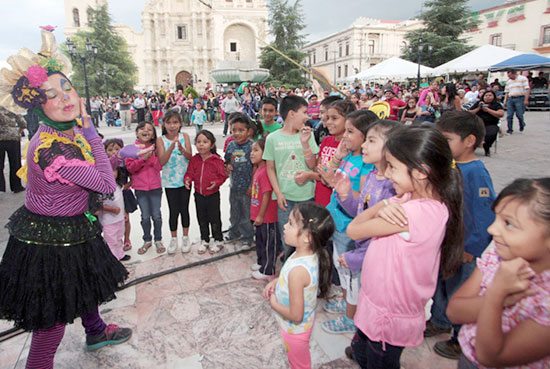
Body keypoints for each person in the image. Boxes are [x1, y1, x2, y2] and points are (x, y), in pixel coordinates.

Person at [0, 28, 131, 368]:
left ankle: (96, 331)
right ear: (37, 104)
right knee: (51, 322)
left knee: (85, 280)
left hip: (72, 229)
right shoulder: (51, 149)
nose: (65, 98)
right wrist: (91, 133)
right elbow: (104, 183)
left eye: (66, 87)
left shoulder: (60, 131)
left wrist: (84, 134)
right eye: (51, 94)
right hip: (49, 243)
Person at [346, 126, 464, 369]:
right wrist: (388, 203)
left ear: (421, 172)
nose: (387, 174)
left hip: (387, 315)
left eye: (393, 167)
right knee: (364, 352)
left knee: (379, 361)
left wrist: (382, 205)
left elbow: (354, 229)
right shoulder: (412, 199)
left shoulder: (414, 212)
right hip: (379, 301)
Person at [447, 178, 550, 369]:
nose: (492, 229)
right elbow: (454, 311)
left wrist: (496, 294)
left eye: (509, 224)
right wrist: (504, 299)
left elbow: (489, 356)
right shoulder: (497, 255)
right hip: (467, 357)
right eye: (496, 219)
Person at [427, 111, 496, 360]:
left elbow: (485, 214)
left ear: (469, 141)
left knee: (460, 291)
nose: (441, 145)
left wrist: (472, 247)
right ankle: (439, 320)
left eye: (447, 140)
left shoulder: (476, 172)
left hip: (464, 248)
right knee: (441, 286)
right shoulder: (450, 166)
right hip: (446, 243)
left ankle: (460, 337)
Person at [335, 119, 398, 358]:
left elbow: (381, 235)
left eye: (372, 140)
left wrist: (355, 257)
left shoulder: (394, 187)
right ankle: (361, 347)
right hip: (365, 257)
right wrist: (344, 195)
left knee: (377, 320)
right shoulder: (372, 175)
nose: (364, 146)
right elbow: (361, 213)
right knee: (365, 305)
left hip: (375, 261)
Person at [319, 112, 377, 335]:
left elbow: (361, 199)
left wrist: (336, 182)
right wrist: (337, 157)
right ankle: (347, 303)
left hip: (350, 226)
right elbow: (326, 177)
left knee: (351, 275)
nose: (345, 135)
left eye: (351, 131)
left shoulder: (367, 164)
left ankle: (352, 317)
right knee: (342, 270)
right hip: (337, 221)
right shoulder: (349, 156)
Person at [263, 202, 335, 369]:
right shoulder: (304, 252)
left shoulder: (298, 271)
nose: (285, 227)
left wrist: (274, 303)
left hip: (295, 331)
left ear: (307, 237)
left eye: (291, 224)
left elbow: (296, 315)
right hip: (297, 327)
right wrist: (277, 281)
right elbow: (289, 275)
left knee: (299, 364)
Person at [263, 96, 319, 259]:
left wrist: (305, 143)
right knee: (287, 238)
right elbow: (270, 168)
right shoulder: (273, 138)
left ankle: (306, 272)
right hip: (285, 199)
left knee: (307, 238)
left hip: (306, 197)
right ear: (292, 114)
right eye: (304, 112)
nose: (307, 116)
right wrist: (278, 193)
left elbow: (312, 165)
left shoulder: (307, 135)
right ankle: (289, 272)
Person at [184, 130, 227, 254]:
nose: (201, 145)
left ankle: (219, 240)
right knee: (201, 218)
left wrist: (216, 183)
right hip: (198, 195)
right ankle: (205, 240)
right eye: (198, 142)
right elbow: (189, 173)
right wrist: (187, 180)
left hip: (213, 195)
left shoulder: (216, 160)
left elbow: (222, 176)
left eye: (205, 142)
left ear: (212, 144)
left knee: (214, 218)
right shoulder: (194, 159)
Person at [125, 121, 165, 255]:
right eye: (142, 128)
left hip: (155, 187)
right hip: (140, 189)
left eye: (149, 129)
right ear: (136, 133)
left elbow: (160, 166)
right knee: (145, 216)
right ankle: (147, 240)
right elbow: (130, 167)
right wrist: (143, 159)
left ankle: (158, 239)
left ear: (153, 134)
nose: (145, 131)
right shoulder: (131, 149)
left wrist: (151, 156)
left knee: (157, 215)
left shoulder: (156, 148)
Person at [157, 110, 193, 254]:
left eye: (175, 122)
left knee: (184, 209)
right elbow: (161, 161)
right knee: (173, 210)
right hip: (170, 182)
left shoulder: (185, 136)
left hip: (185, 180)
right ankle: (173, 238)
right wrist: (171, 148)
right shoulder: (161, 140)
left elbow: (190, 157)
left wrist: (183, 150)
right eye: (169, 122)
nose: (172, 126)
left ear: (180, 124)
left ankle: (185, 237)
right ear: (164, 124)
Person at [314, 100, 356, 206]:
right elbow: (319, 170)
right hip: (321, 197)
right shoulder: (326, 141)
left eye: (334, 118)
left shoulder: (350, 147)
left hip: (340, 203)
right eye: (328, 118)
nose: (328, 122)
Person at [250, 138, 281, 279]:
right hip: (259, 215)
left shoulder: (265, 172)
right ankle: (261, 262)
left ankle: (269, 270)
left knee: (269, 244)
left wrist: (261, 215)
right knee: (260, 240)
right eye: (252, 150)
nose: (252, 153)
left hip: (268, 217)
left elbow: (267, 194)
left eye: (256, 150)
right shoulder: (258, 170)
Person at [224, 114, 255, 249]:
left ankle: (247, 237)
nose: (237, 133)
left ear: (248, 131)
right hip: (234, 185)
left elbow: (256, 167)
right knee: (234, 210)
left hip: (248, 187)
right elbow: (227, 160)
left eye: (241, 130)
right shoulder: (231, 145)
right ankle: (234, 232)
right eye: (234, 130)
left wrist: (252, 185)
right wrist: (227, 165)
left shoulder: (252, 146)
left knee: (246, 213)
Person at [97, 147, 131, 262]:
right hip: (108, 220)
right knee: (111, 240)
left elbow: (120, 201)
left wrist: (124, 212)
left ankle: (120, 254)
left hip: (119, 218)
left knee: (118, 237)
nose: (112, 173)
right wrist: (111, 209)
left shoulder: (118, 185)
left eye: (114, 170)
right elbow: (97, 205)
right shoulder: (100, 188)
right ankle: (113, 259)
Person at [469, 90, 505, 156]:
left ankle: (487, 148)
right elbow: (469, 113)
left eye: (490, 95)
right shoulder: (478, 103)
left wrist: (488, 110)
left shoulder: (496, 105)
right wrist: (478, 108)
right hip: (477, 124)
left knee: (491, 133)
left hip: (490, 124)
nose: (487, 97)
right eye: (486, 96)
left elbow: (501, 114)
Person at [0, 106, 26, 193]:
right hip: (13, 137)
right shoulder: (11, 106)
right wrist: (19, 130)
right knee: (15, 163)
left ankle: (0, 187)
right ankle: (16, 186)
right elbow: (22, 122)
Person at [503, 69, 530, 134]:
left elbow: (527, 89)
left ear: (513, 73)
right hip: (511, 98)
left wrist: (526, 99)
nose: (509, 77)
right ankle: (510, 129)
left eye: (509, 75)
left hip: (520, 98)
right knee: (509, 115)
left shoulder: (523, 79)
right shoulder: (509, 81)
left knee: (519, 114)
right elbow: (507, 92)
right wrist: (505, 100)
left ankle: (522, 124)